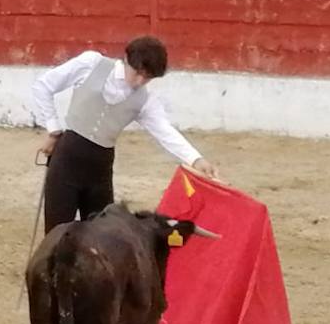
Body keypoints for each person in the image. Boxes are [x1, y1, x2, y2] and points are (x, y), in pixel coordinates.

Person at [29, 36, 218, 234]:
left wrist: (196, 159)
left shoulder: (146, 101)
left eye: (148, 78)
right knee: (57, 233)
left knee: (101, 237)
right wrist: (53, 129)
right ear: (126, 59)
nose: (140, 81)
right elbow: (43, 86)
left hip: (100, 169)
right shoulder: (91, 63)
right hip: (67, 158)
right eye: (138, 73)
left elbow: (165, 131)